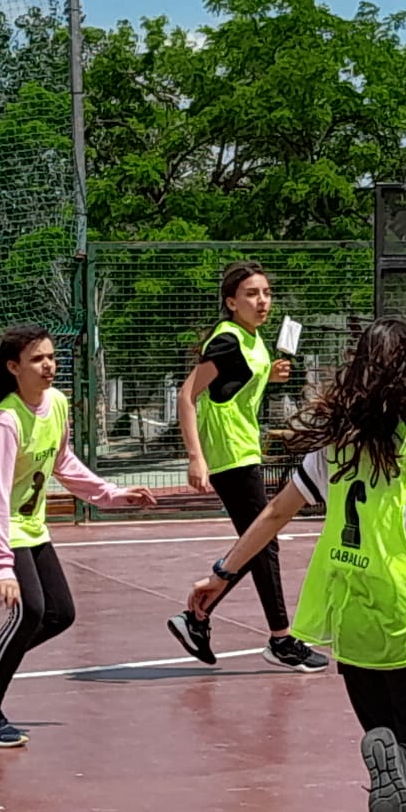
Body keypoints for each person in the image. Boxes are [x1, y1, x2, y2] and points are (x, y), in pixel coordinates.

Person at [186, 314, 406, 812]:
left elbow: (270, 517)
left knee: (393, 760)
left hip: (355, 630)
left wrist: (220, 574)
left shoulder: (334, 449)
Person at [0, 324, 156, 748]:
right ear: (13, 368)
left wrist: (113, 494)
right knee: (29, 611)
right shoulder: (6, 422)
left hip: (29, 525)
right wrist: (1, 567)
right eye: (36, 359)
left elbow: (64, 462)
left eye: (51, 357)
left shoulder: (57, 404)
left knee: (59, 614)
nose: (48, 366)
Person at [168, 261, 330, 673]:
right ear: (231, 302)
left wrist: (269, 376)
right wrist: (195, 456)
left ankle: (197, 617)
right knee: (262, 541)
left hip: (243, 451)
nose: (262, 301)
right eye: (252, 294)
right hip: (229, 455)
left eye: (267, 293)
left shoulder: (254, 341)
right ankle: (279, 639)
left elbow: (233, 384)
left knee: (256, 543)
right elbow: (187, 395)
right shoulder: (227, 340)